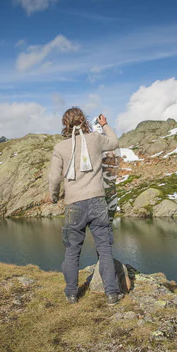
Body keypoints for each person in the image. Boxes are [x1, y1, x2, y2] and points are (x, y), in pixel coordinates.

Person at [49, 107, 124, 305]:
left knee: (72, 250)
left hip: (74, 205)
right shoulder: (96, 139)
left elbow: (54, 177)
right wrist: (105, 124)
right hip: (97, 201)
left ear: (65, 124)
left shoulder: (60, 148)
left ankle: (72, 294)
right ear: (85, 121)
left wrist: (54, 197)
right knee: (104, 248)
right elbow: (115, 142)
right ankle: (111, 294)